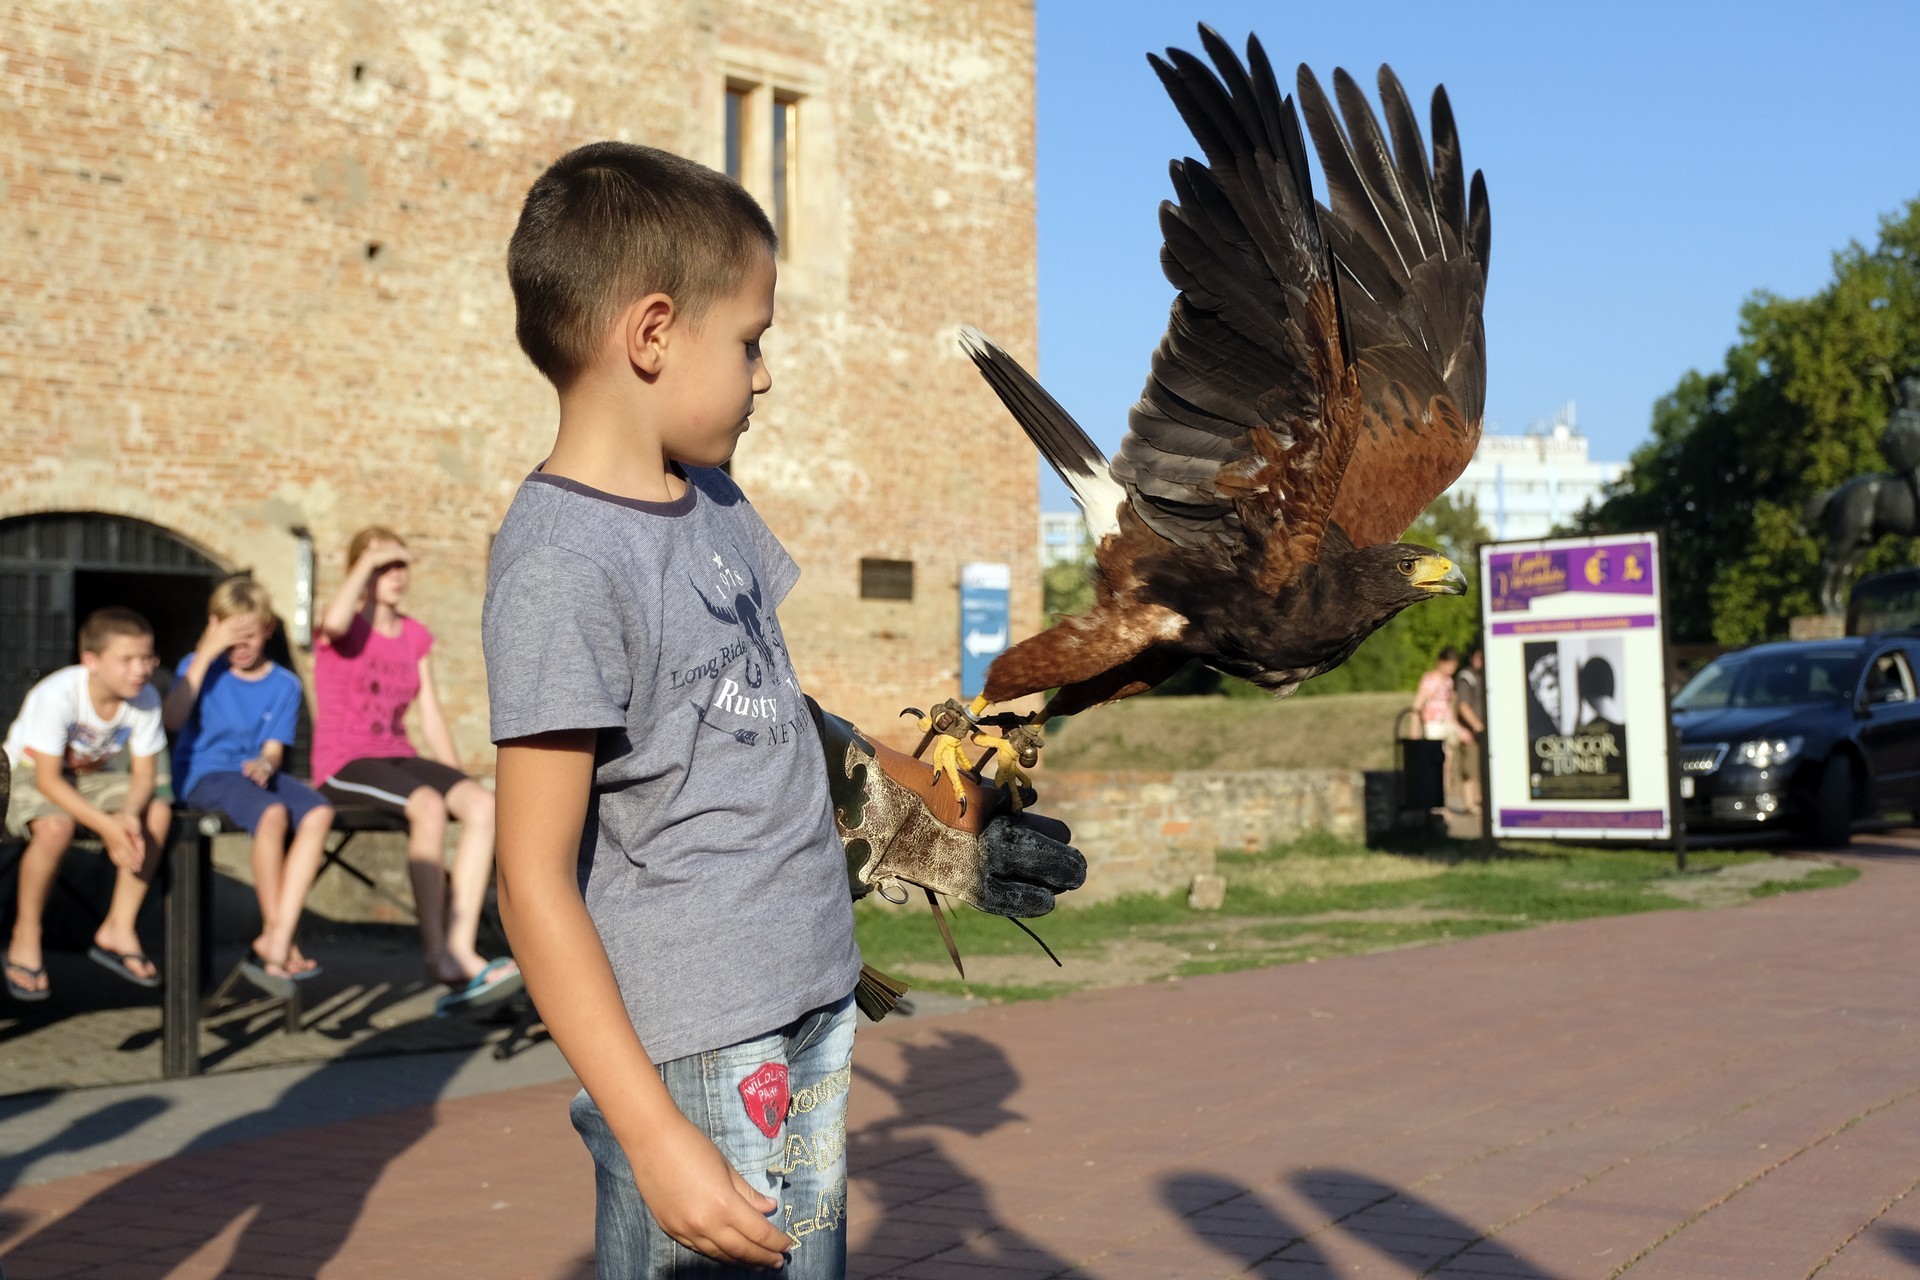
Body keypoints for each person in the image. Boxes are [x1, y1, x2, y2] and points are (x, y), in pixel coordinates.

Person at [481, 143, 1085, 1279]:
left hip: (811, 991)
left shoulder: (711, 502)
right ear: (653, 335)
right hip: (694, 1043)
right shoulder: (563, 566)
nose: (763, 377)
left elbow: (764, 720)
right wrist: (654, 1136)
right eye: (751, 341)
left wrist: (921, 813)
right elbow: (531, 878)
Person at [312, 526, 518, 1016]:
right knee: (426, 807)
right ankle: (437, 953)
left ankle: (461, 946)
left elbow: (431, 715)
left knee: (483, 805)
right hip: (345, 761)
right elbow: (334, 621)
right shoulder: (342, 627)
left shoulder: (414, 635)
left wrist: (457, 781)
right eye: (382, 566)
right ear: (361, 571)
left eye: (400, 565)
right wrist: (370, 560)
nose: (395, 575)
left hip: (397, 754)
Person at [164, 576, 332, 985]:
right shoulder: (197, 667)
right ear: (214, 627)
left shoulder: (285, 684)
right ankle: (278, 940)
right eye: (231, 637)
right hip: (204, 774)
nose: (240, 647)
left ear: (268, 630)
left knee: (319, 812)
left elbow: (273, 750)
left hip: (252, 776)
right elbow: (171, 720)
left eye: (250, 637)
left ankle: (277, 938)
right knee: (272, 814)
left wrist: (265, 764)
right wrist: (207, 651)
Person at [3, 607, 172, 1000]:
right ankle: (25, 933)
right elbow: (47, 779)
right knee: (55, 827)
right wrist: (108, 827)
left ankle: (119, 926)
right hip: (27, 772)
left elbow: (144, 776)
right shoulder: (58, 694)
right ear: (91, 661)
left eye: (147, 657)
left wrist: (129, 816)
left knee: (158, 810)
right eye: (127, 660)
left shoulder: (145, 698)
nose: (140, 670)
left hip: (89, 779)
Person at [1451, 645, 1485, 816]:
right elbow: (1463, 706)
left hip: (1480, 730)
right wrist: (1477, 726)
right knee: (1469, 769)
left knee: (1480, 768)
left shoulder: (1482, 676)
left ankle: (1479, 800)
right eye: (1477, 657)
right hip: (1470, 731)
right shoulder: (1467, 678)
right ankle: (1470, 804)